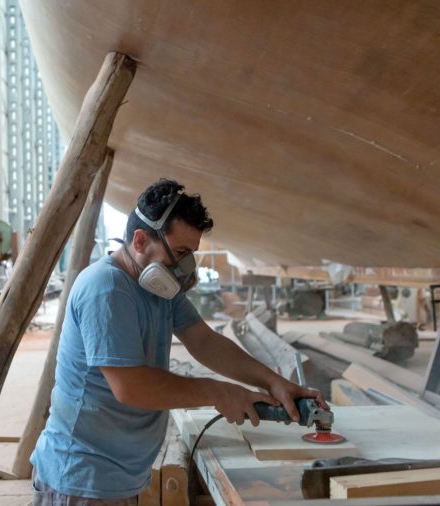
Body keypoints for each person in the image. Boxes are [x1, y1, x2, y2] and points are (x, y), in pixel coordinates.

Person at [30, 179, 327, 505]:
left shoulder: (160, 288)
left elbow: (204, 341)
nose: (187, 268)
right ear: (141, 241)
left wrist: (276, 383)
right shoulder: (106, 289)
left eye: (192, 254)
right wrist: (218, 392)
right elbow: (130, 387)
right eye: (181, 253)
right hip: (81, 478)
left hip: (118, 476)